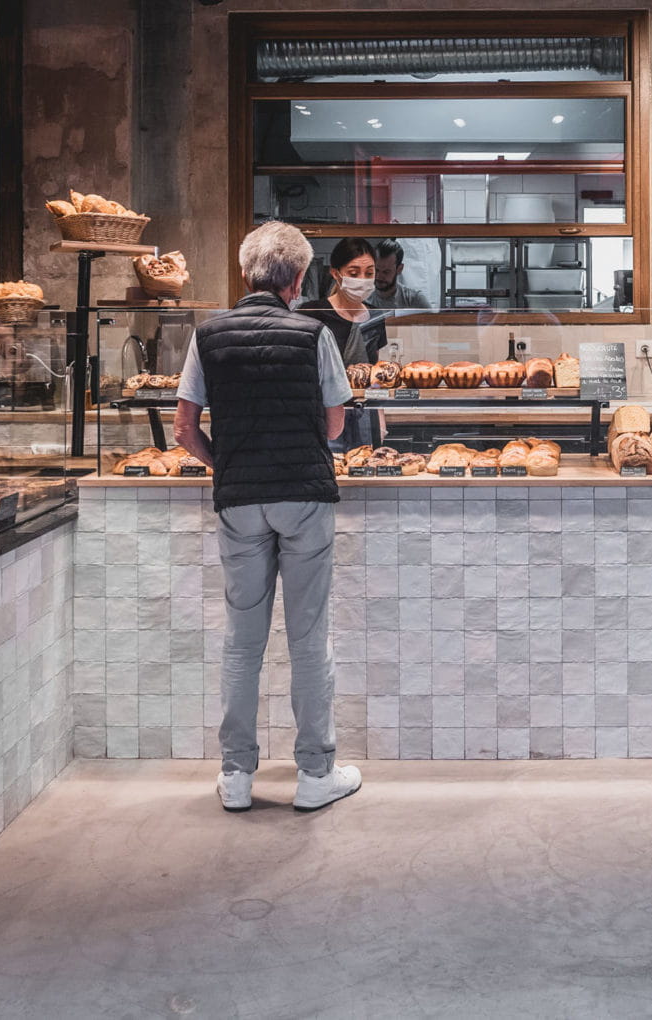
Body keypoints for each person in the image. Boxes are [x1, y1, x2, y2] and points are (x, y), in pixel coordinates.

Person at [173, 220, 362, 814]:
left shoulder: (207, 334)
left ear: (245, 272)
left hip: (240, 500)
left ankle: (235, 777)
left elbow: (183, 429)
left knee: (241, 643)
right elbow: (335, 423)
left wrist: (224, 463)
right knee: (308, 641)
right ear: (301, 277)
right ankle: (314, 776)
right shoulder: (313, 334)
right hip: (304, 496)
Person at [301, 237, 389, 365]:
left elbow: (374, 367)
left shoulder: (375, 316)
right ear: (335, 274)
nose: (362, 280)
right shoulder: (312, 312)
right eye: (353, 273)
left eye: (369, 273)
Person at [369, 238, 431, 310]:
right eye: (376, 270)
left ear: (399, 269)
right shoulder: (362, 300)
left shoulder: (415, 301)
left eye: (386, 272)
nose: (378, 276)